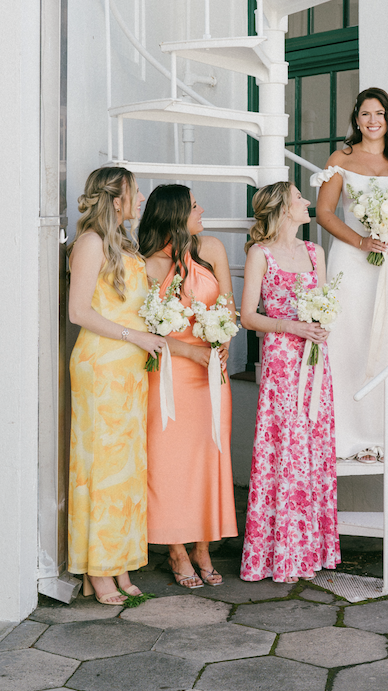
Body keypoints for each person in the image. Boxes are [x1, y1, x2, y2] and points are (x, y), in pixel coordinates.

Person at [312, 87, 388, 462]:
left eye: (379, 113)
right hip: (352, 259)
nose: (372, 120)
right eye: (365, 114)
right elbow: (326, 212)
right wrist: (362, 241)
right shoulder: (341, 158)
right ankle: (353, 435)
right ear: (356, 118)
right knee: (350, 338)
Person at [67, 166, 166, 604]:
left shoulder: (123, 244)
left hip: (129, 368)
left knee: (127, 469)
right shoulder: (90, 244)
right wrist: (136, 336)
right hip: (101, 366)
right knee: (102, 470)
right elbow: (78, 312)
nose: (142, 197)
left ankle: (119, 561)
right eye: (136, 191)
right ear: (116, 198)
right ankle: (97, 568)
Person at [138, 184, 238, 588]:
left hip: (212, 371)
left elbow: (227, 303)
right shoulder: (147, 266)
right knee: (169, 464)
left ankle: (203, 546)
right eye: (194, 206)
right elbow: (143, 327)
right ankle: (176, 549)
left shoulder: (210, 248)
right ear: (175, 214)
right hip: (170, 374)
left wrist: (224, 337)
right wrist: (188, 352)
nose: (202, 210)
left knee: (208, 458)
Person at [240, 183, 340, 583]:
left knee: (313, 447)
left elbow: (328, 307)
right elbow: (249, 316)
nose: (306, 203)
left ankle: (310, 550)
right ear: (282, 208)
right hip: (282, 360)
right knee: (285, 448)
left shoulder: (315, 253)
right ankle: (279, 555)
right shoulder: (259, 254)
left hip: (315, 362)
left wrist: (320, 326)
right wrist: (292, 326)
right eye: (299, 198)